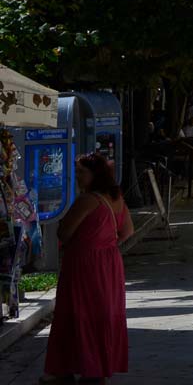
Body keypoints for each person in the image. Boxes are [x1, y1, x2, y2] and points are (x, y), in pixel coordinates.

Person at [43, 153, 132, 383]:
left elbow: (64, 232)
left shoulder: (88, 200)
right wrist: (106, 246)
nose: (77, 177)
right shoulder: (117, 198)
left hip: (84, 265)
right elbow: (127, 231)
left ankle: (74, 366)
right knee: (102, 315)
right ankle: (98, 366)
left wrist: (91, 246)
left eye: (82, 172)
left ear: (95, 174)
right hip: (109, 264)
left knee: (78, 313)